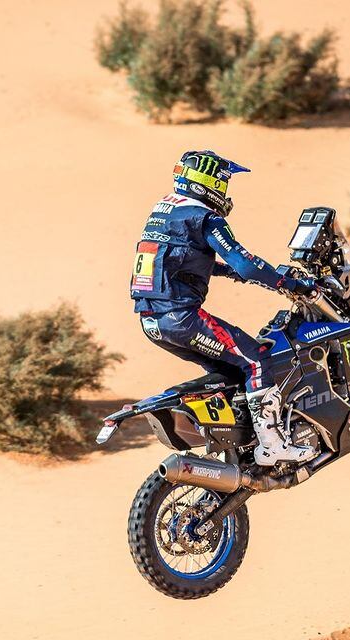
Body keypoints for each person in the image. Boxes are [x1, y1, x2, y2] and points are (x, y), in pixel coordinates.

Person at [131, 150, 315, 466]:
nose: (224, 191)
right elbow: (246, 263)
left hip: (151, 322)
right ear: (206, 183)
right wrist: (289, 284)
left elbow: (184, 257)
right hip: (181, 318)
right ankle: (272, 445)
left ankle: (239, 439)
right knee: (256, 360)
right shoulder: (205, 216)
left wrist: (226, 271)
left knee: (229, 370)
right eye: (222, 183)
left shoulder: (165, 211)